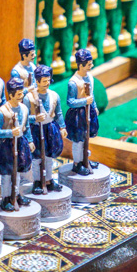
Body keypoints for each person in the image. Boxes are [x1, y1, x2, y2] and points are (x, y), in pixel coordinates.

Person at [0, 78, 35, 211]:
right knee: (7, 174)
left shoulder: (23, 108)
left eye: (21, 93)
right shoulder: (1, 112)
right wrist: (10, 132)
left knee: (17, 172)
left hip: (20, 143)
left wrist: (29, 140)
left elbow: (26, 126)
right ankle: (6, 198)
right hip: (6, 146)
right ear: (11, 95)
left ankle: (16, 195)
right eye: (18, 94)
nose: (21, 96)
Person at [25, 64, 66, 193]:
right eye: (44, 81)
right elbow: (25, 118)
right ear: (37, 81)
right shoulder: (29, 98)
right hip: (35, 129)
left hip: (50, 128)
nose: (47, 83)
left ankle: (49, 179)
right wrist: (35, 119)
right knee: (37, 157)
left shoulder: (54, 95)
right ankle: (37, 181)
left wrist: (62, 126)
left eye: (48, 80)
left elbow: (58, 113)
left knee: (49, 156)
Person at [66, 48, 99, 176]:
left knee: (87, 138)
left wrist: (93, 106)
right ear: (81, 65)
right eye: (89, 64)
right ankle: (77, 163)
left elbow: (92, 95)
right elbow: (70, 102)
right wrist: (84, 101)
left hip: (88, 111)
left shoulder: (90, 77)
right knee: (78, 140)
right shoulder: (73, 82)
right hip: (77, 115)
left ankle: (86, 160)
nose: (92, 66)